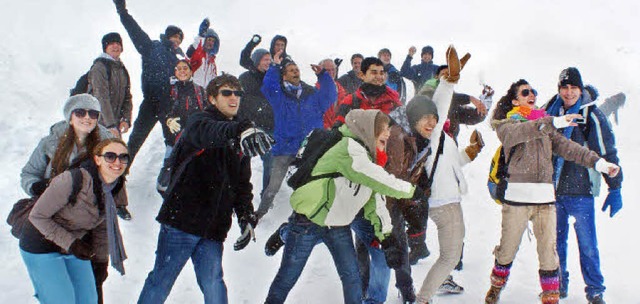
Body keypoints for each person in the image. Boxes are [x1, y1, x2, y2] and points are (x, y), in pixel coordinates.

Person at [137, 74, 273, 304]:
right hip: (181, 221)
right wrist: (239, 130)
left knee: (214, 284)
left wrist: (246, 216)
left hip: (213, 227)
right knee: (161, 281)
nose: (234, 98)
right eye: (226, 93)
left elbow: (242, 184)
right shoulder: (199, 122)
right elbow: (210, 133)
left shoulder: (241, 135)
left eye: (237, 93)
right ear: (212, 98)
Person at [264, 109, 422, 304]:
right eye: (382, 136)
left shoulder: (369, 158)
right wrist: (411, 191)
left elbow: (376, 199)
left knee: (352, 279)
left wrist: (386, 237)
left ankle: (285, 233)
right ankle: (285, 233)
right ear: (367, 131)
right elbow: (380, 180)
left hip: (338, 224)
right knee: (287, 278)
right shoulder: (348, 148)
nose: (386, 141)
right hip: (308, 221)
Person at [484, 79, 620, 304]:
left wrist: (600, 164)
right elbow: (518, 134)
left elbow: (571, 149)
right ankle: (496, 285)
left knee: (549, 255)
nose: (532, 95)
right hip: (516, 201)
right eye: (525, 92)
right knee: (507, 251)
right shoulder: (508, 124)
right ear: (515, 100)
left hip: (546, 200)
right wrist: (553, 121)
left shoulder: (546, 126)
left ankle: (551, 298)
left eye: (533, 91)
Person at [406, 45, 480, 304]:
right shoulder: (431, 134)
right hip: (443, 204)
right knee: (450, 256)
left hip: (449, 200)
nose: (430, 121)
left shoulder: (441, 136)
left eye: (432, 117)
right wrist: (448, 82)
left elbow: (449, 164)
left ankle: (430, 291)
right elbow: (439, 103)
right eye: (422, 118)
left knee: (450, 255)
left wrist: (470, 153)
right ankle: (423, 298)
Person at [543, 67, 623, 304]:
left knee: (588, 246)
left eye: (573, 88)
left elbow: (607, 151)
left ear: (580, 89)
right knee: (555, 244)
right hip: (553, 191)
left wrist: (615, 187)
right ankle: (559, 283)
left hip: (581, 192)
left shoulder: (592, 115)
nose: (569, 93)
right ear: (559, 89)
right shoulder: (550, 111)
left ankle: (595, 290)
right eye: (564, 87)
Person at [20, 138, 129, 304]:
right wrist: (71, 243)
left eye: (123, 157)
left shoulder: (115, 187)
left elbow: (102, 227)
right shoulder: (72, 180)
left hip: (75, 245)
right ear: (97, 159)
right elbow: (37, 216)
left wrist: (101, 261)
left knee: (89, 300)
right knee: (62, 300)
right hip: (41, 244)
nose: (117, 162)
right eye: (110, 156)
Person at [255, 50, 337, 219]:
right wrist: (275, 66)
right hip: (285, 148)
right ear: (284, 76)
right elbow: (269, 87)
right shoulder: (279, 96)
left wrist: (323, 75)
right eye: (291, 70)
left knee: (312, 183)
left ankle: (309, 214)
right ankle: (260, 214)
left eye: (297, 69)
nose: (295, 72)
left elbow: (330, 95)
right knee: (273, 186)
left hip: (309, 148)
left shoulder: (312, 95)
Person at [113, 0, 186, 164]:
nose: (177, 41)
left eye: (179, 39)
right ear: (167, 36)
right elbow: (134, 31)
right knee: (135, 140)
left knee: (173, 142)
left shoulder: (178, 60)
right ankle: (120, 172)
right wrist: (122, 12)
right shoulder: (152, 47)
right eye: (174, 36)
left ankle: (169, 177)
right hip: (151, 102)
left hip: (169, 105)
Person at [238, 34, 275, 195]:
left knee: (271, 158)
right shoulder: (245, 78)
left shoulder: (272, 78)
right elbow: (245, 101)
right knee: (242, 160)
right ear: (257, 61)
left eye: (269, 59)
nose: (268, 62)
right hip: (251, 124)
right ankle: (238, 191)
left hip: (270, 124)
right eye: (264, 59)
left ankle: (268, 193)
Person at [89, 32, 133, 139]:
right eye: (111, 43)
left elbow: (127, 97)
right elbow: (101, 96)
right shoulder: (99, 67)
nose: (115, 46)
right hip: (97, 124)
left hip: (114, 125)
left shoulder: (122, 69)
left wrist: (126, 119)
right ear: (105, 48)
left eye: (118, 43)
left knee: (115, 154)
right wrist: (110, 125)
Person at [186, 18, 220, 88]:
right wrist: (201, 36)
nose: (210, 42)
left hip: (205, 94)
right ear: (205, 40)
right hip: (193, 90)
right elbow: (188, 56)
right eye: (209, 39)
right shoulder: (196, 52)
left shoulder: (212, 63)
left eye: (213, 41)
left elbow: (214, 80)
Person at [318, 58, 347, 129]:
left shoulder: (341, 89)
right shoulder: (315, 91)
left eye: (333, 69)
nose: (331, 72)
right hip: (321, 131)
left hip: (337, 129)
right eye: (328, 70)